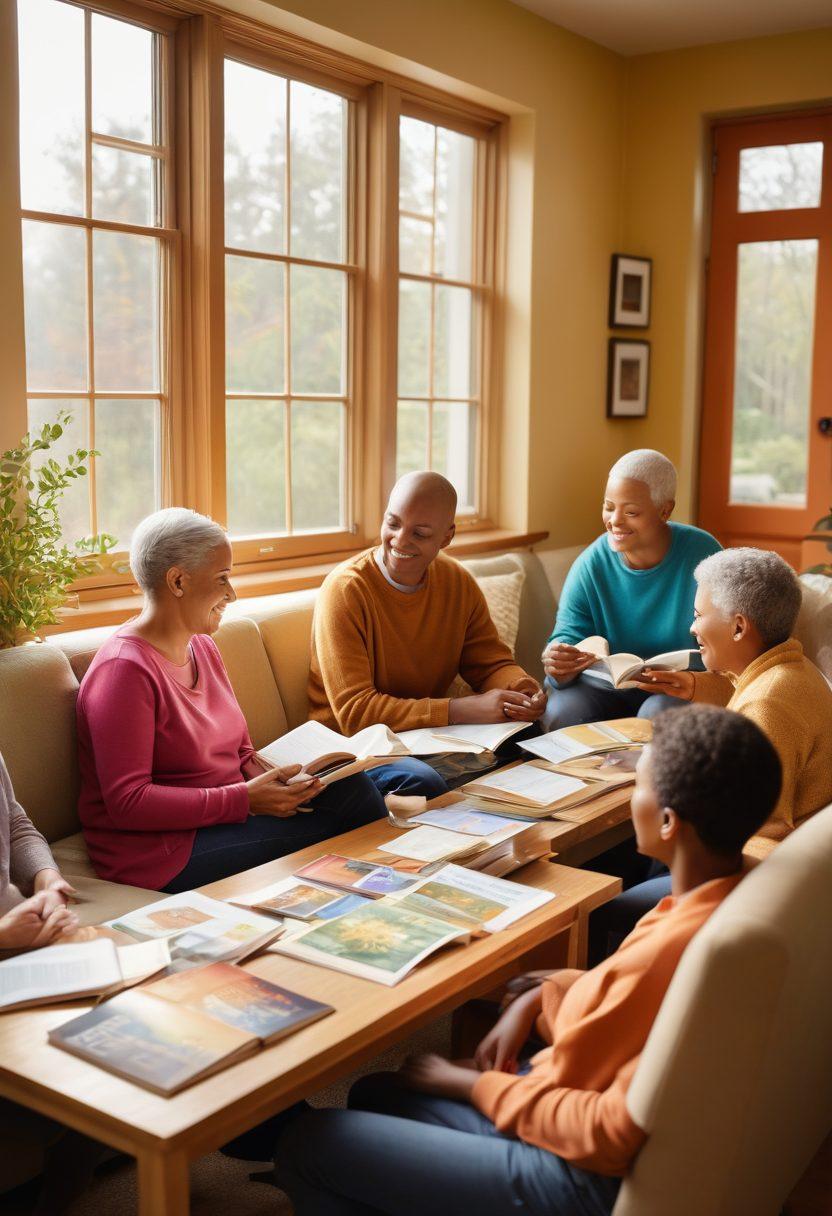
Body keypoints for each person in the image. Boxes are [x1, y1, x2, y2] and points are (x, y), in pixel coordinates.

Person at [264, 706, 781, 1216]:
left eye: (638, 785)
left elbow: (605, 1134)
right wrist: (536, 997)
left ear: (668, 822)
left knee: (312, 1140)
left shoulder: (676, 947)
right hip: (573, 1112)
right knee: (379, 1093)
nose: (632, 799)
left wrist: (470, 1084)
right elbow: (620, 1006)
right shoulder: (727, 896)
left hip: (579, 1177)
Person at [76, 509, 389, 894]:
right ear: (177, 581)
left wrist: (281, 783)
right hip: (162, 851)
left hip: (224, 818)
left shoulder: (202, 646)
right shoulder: (124, 671)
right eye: (222, 578)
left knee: (349, 784)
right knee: (354, 802)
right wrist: (244, 800)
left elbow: (239, 749)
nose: (233, 593)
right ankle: (390, 903)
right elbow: (129, 802)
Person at [590, 546, 832, 963]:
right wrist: (693, 685)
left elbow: (763, 831)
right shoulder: (795, 672)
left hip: (761, 884)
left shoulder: (767, 706)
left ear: (738, 627)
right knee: (630, 858)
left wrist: (686, 908)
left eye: (700, 615)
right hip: (785, 871)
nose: (692, 628)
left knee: (600, 911)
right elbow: (747, 688)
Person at [308, 471, 546, 798]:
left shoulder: (456, 582)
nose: (400, 541)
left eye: (419, 533)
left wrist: (522, 692)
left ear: (446, 537)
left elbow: (489, 664)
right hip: (354, 749)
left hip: (426, 735)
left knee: (532, 734)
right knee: (420, 781)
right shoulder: (346, 590)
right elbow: (356, 713)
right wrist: (459, 710)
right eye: (393, 523)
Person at [542, 449, 724, 730]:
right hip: (606, 690)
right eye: (608, 506)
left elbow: (727, 643)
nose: (615, 520)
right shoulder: (591, 564)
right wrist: (559, 662)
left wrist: (693, 679)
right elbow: (567, 637)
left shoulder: (705, 555)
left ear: (665, 510)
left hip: (680, 689)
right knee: (563, 710)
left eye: (631, 512)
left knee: (659, 713)